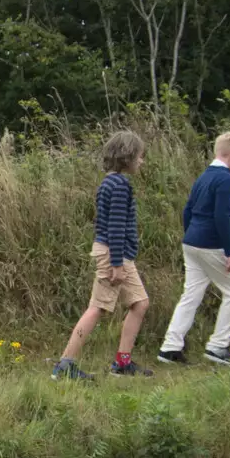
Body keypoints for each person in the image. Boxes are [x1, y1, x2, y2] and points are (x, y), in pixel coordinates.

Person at [53, 131, 153, 382]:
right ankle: (66, 364)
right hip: (114, 254)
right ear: (127, 156)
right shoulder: (119, 186)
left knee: (140, 303)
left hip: (118, 254)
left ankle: (122, 363)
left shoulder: (109, 182)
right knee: (97, 308)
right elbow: (116, 226)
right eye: (140, 157)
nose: (142, 162)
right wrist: (117, 264)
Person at [158, 132, 230, 367]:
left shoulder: (203, 177)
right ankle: (218, 346)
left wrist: (191, 235)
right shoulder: (226, 180)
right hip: (212, 243)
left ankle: (170, 347)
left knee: (191, 294)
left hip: (191, 242)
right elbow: (222, 216)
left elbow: (187, 210)